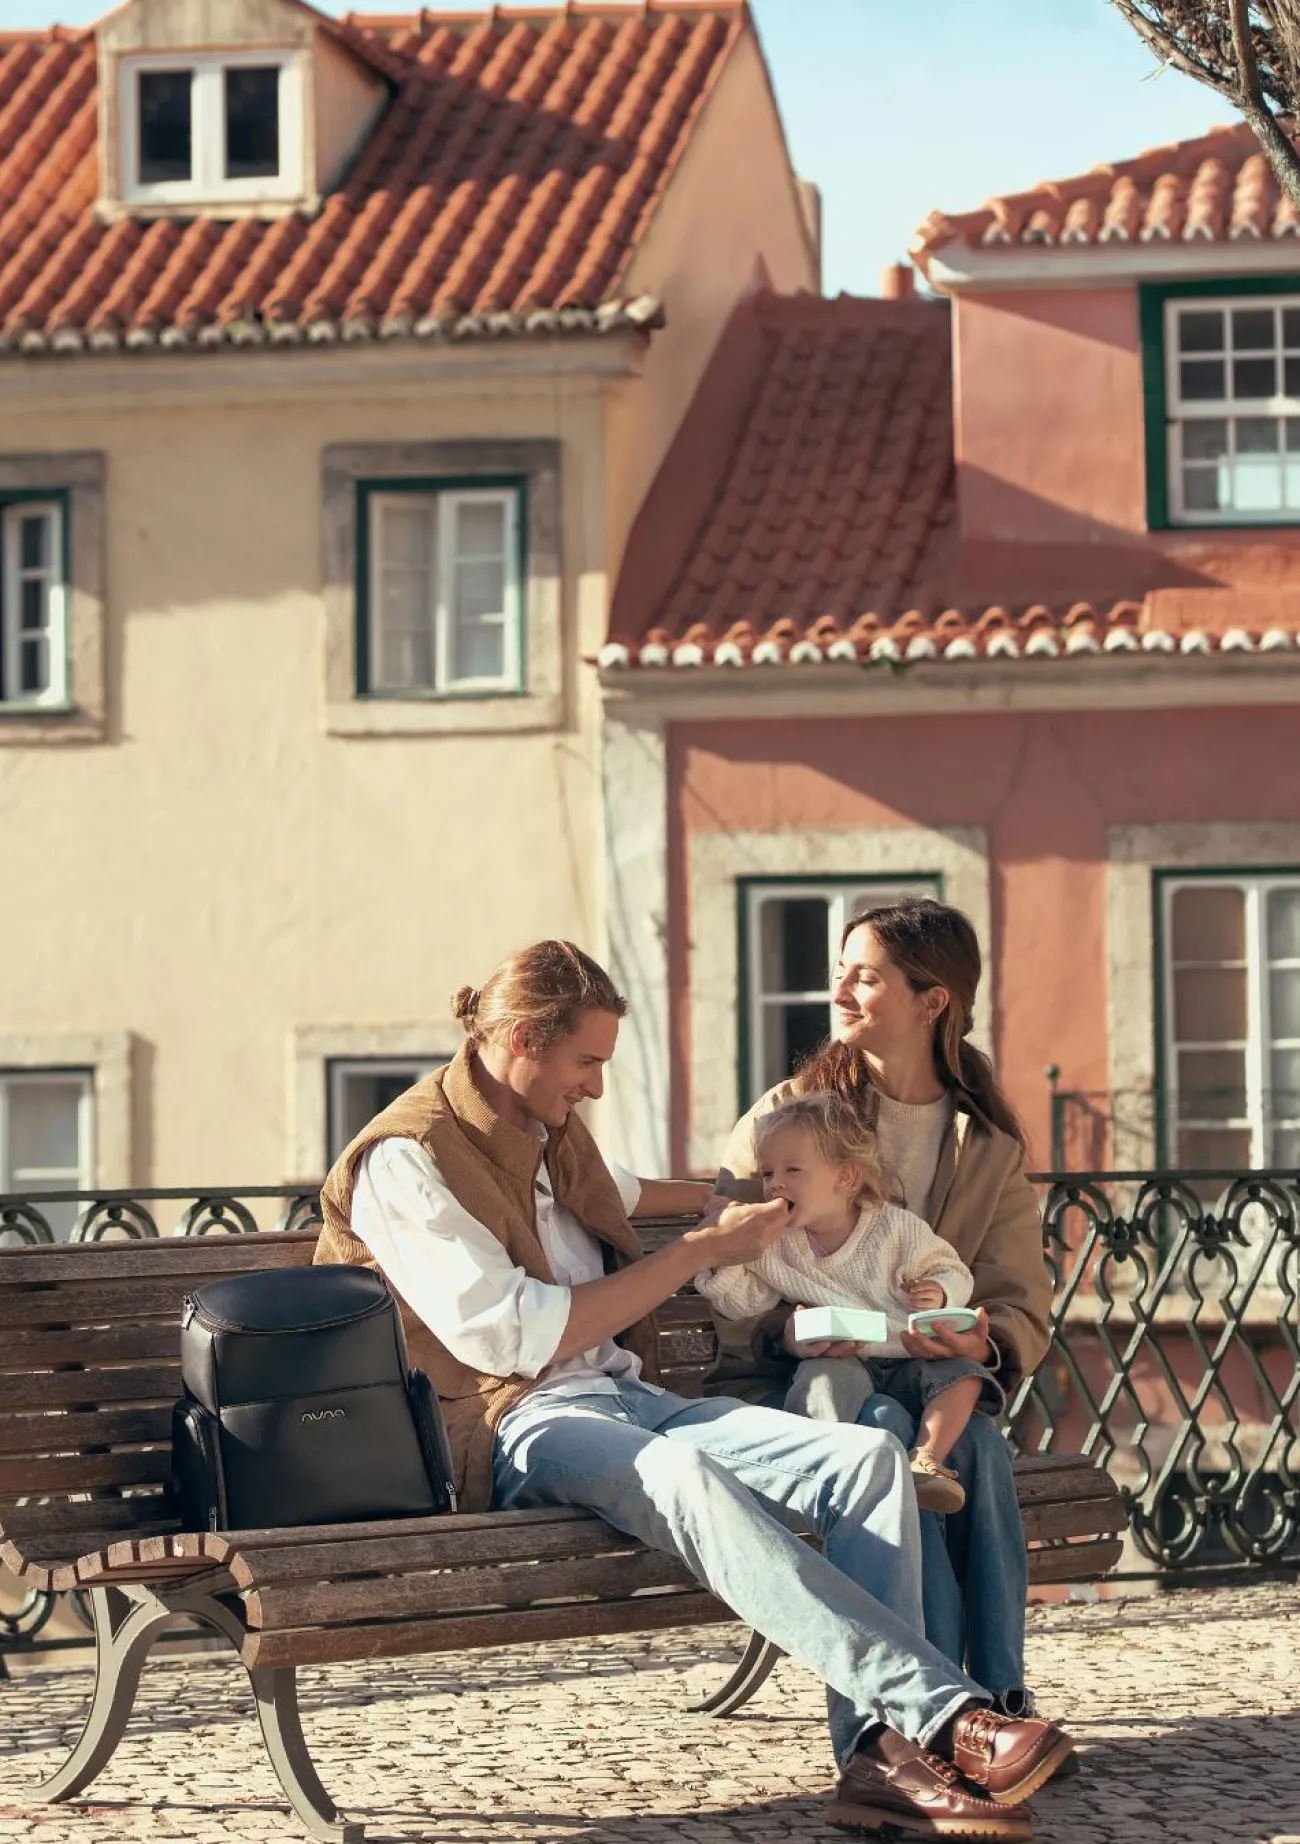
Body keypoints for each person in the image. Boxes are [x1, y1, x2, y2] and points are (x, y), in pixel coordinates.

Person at [315, 938, 1072, 1839]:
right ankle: (940, 1717)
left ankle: (874, 1762)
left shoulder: (547, 1133)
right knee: (687, 1478)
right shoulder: (406, 1159)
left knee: (868, 1462)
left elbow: (630, 1192)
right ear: (522, 1039)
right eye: (587, 1062)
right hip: (511, 1423)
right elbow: (513, 1337)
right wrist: (698, 1254)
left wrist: (758, 1206)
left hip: (629, 1400)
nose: (597, 1087)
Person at [712, 897, 1053, 1717]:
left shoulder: (986, 1143)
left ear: (932, 1000)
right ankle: (937, 1699)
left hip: (930, 1378)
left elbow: (1017, 1301)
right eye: (841, 972)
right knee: (888, 1443)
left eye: (864, 978)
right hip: (811, 1392)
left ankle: (997, 1691)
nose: (839, 992)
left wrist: (977, 1336)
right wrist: (784, 1332)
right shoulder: (789, 1117)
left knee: (978, 1448)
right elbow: (728, 1262)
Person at [696, 1090, 1003, 1516]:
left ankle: (926, 1460)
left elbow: (951, 1269)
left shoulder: (895, 1229)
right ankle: (816, 1470)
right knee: (820, 1378)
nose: (774, 1184)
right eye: (768, 1173)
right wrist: (720, 1251)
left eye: (792, 1170)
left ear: (845, 1178)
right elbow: (744, 1303)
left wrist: (938, 1290)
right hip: (846, 1356)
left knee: (965, 1375)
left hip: (908, 1354)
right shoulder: (775, 1242)